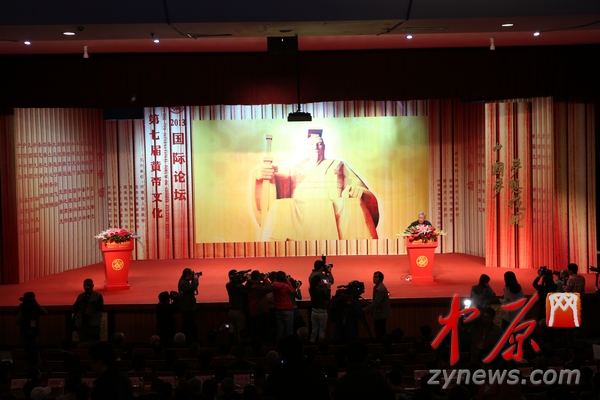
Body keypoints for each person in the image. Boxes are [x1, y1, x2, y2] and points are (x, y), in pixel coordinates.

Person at [252, 129, 379, 241]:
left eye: (319, 144)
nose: (316, 147)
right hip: (299, 213)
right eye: (312, 144)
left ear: (324, 147)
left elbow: (359, 188)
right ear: (307, 148)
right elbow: (275, 182)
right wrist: (262, 176)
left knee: (354, 204)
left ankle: (362, 245)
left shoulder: (338, 164)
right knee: (280, 206)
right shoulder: (295, 167)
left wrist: (357, 191)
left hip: (335, 212)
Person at [72, 278, 104, 343]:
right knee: (82, 342)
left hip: (93, 324)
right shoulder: (81, 296)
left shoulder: (97, 296)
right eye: (85, 286)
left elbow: (101, 308)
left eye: (89, 286)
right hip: (82, 324)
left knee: (95, 343)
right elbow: (75, 308)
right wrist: (79, 301)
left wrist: (93, 302)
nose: (87, 288)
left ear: (92, 286)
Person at [246, 270, 273, 341]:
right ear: (258, 277)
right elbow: (270, 288)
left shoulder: (249, 285)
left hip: (252, 310)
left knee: (254, 330)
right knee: (262, 330)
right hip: (260, 311)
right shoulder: (257, 287)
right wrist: (265, 279)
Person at [363, 271, 390, 341]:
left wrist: (365, 309)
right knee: (379, 331)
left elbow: (376, 302)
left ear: (380, 279)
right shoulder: (376, 287)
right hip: (379, 314)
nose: (374, 278)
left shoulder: (380, 289)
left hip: (381, 314)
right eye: (374, 277)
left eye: (376, 277)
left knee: (380, 332)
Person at [226, 270, 249, 344]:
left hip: (231, 310)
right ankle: (240, 346)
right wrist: (246, 279)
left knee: (234, 330)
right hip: (239, 311)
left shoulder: (228, 285)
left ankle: (234, 345)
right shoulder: (239, 287)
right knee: (240, 331)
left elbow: (235, 283)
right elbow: (247, 289)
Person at [178, 268, 200, 343]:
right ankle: (189, 341)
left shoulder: (184, 281)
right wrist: (195, 279)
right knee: (189, 326)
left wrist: (193, 279)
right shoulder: (183, 283)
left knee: (189, 326)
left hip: (188, 307)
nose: (192, 276)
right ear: (187, 275)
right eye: (191, 274)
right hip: (187, 308)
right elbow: (192, 288)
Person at [272, 271, 295, 340]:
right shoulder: (285, 286)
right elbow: (292, 291)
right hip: (287, 309)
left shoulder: (273, 286)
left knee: (280, 329)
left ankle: (280, 343)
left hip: (278, 309)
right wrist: (288, 282)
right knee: (289, 330)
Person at [309, 274, 331, 343]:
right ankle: (321, 344)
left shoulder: (311, 289)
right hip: (322, 312)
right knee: (322, 331)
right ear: (318, 282)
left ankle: (312, 343)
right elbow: (327, 298)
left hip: (314, 312)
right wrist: (328, 288)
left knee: (314, 330)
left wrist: (322, 285)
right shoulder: (321, 291)